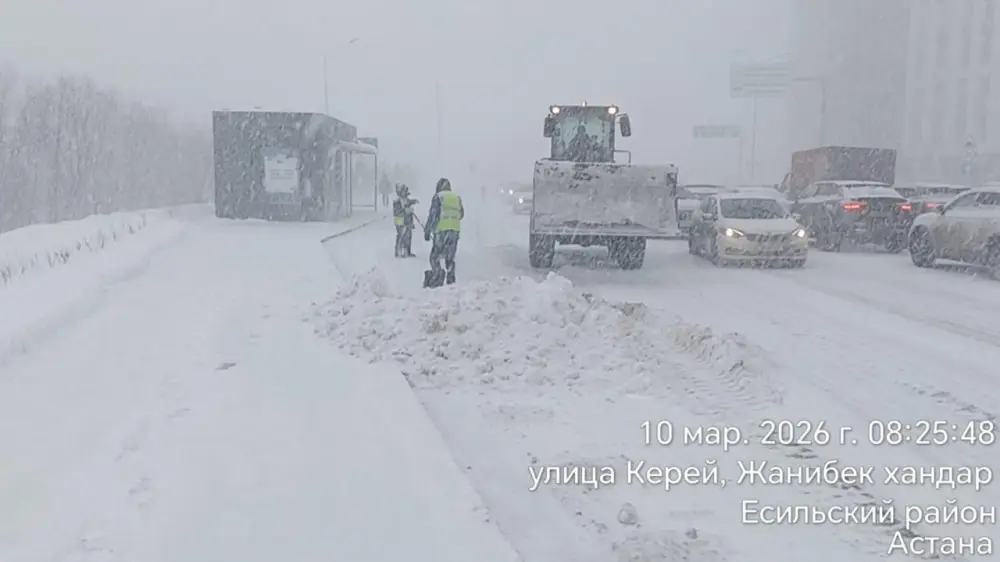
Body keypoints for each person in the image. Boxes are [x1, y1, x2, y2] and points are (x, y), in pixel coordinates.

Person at [423, 177, 463, 287]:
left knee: (434, 256)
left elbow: (433, 215)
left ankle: (437, 275)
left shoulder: (438, 197)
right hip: (454, 232)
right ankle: (451, 279)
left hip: (441, 232)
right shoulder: (457, 198)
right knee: (449, 257)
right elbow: (461, 214)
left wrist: (427, 230)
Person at [392, 184, 418, 257]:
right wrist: (406, 211)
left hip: (407, 220)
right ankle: (398, 251)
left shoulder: (406, 199)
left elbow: (409, 202)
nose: (405, 193)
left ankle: (408, 251)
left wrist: (414, 201)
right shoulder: (397, 201)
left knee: (408, 236)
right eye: (404, 191)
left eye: (406, 191)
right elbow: (397, 211)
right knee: (401, 236)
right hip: (400, 221)